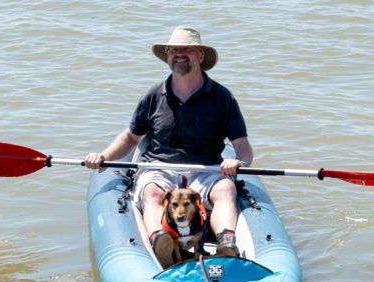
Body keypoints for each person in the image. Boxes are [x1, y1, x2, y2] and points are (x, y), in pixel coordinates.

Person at [84, 26, 253, 264]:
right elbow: (131, 138)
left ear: (200, 56)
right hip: (159, 168)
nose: (179, 54)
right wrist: (104, 156)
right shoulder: (153, 96)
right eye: (174, 50)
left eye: (186, 49)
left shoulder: (222, 97)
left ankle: (226, 243)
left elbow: (242, 145)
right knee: (152, 192)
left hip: (207, 169)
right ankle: (160, 241)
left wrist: (240, 161)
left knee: (226, 190)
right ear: (167, 56)